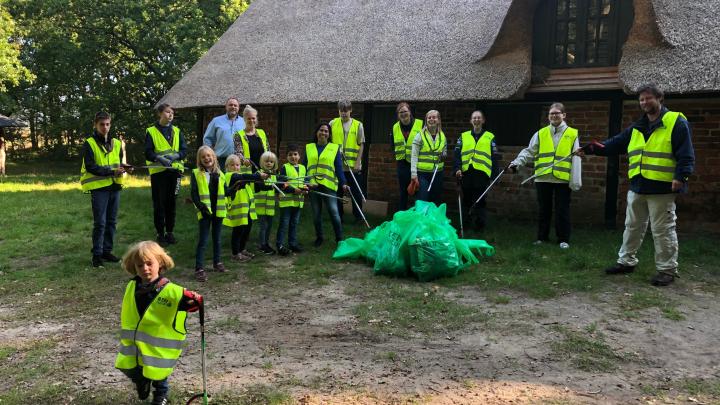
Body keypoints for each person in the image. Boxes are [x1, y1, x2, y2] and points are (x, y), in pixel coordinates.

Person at [581, 84, 695, 286]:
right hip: (638, 186)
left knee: (663, 230)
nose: (644, 102)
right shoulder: (637, 127)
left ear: (660, 98)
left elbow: (686, 153)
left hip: (663, 187)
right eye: (641, 99)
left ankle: (667, 270)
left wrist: (682, 176)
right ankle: (626, 262)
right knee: (632, 226)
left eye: (648, 98)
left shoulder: (676, 122)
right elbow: (613, 144)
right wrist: (589, 149)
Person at [115, 241, 203, 405]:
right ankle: (141, 381)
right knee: (128, 366)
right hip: (134, 343)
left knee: (158, 373)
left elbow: (188, 305)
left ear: (160, 263)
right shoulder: (132, 286)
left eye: (149, 264)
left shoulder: (171, 291)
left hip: (158, 346)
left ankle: (160, 396)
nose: (145, 269)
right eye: (140, 265)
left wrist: (194, 302)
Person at [509, 102, 581, 249]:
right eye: (551, 114)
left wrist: (575, 180)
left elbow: (576, 158)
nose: (554, 116)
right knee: (544, 209)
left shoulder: (572, 134)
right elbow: (529, 151)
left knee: (562, 210)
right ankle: (542, 237)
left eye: (557, 113)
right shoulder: (540, 134)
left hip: (562, 179)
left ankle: (563, 239)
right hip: (542, 178)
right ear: (548, 116)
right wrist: (517, 162)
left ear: (564, 115)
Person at [80, 112, 129, 267]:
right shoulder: (89, 143)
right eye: (102, 124)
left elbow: (119, 162)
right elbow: (91, 167)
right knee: (100, 223)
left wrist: (125, 167)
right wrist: (111, 172)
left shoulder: (115, 142)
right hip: (99, 188)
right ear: (95, 125)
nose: (105, 127)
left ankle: (107, 251)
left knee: (111, 222)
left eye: (107, 124)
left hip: (114, 186)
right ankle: (97, 255)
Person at [144, 103, 187, 246]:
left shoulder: (177, 131)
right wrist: (158, 158)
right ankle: (160, 234)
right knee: (159, 204)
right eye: (168, 112)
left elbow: (184, 150)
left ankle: (170, 232)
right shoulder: (151, 131)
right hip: (159, 173)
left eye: (172, 113)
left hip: (175, 173)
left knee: (171, 203)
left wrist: (176, 157)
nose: (170, 115)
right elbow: (148, 152)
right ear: (160, 114)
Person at [454, 110, 500, 232]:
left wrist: (495, 175)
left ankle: (480, 226)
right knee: (467, 200)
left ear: (483, 120)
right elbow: (457, 154)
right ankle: (466, 223)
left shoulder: (490, 137)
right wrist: (457, 169)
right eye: (474, 118)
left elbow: (494, 157)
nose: (476, 120)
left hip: (482, 174)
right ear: (471, 121)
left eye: (479, 118)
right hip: (466, 173)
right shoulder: (463, 136)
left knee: (480, 200)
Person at [305, 122, 350, 246]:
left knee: (334, 213)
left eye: (326, 131)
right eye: (321, 130)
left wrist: (344, 183)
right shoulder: (309, 147)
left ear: (329, 135)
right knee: (316, 215)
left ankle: (339, 239)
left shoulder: (334, 148)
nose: (323, 133)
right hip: (313, 185)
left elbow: (339, 168)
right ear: (316, 132)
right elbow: (304, 166)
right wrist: (305, 182)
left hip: (329, 185)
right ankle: (319, 238)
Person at [190, 146, 227, 282]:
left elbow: (226, 191)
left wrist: (236, 187)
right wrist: (201, 207)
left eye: (209, 155)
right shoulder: (196, 173)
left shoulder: (220, 174)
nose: (207, 158)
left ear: (214, 157)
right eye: (203, 156)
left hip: (219, 211)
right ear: (200, 159)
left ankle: (217, 262)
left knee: (217, 239)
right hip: (205, 212)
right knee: (203, 240)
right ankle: (199, 268)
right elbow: (194, 193)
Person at [223, 154, 268, 262]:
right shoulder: (231, 176)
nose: (235, 167)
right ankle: (235, 254)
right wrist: (258, 176)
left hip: (246, 209)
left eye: (237, 165)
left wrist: (259, 177)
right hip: (237, 210)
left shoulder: (240, 175)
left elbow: (248, 178)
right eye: (232, 165)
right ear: (227, 167)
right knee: (238, 231)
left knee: (246, 230)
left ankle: (242, 250)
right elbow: (243, 177)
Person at [330, 101, 365, 223]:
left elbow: (361, 145)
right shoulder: (332, 123)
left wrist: (357, 162)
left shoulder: (358, 125)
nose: (343, 113)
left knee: (356, 192)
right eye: (341, 110)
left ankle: (358, 217)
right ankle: (339, 216)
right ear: (338, 111)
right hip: (338, 166)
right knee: (338, 192)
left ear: (350, 110)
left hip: (353, 166)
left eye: (346, 110)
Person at [276, 144, 309, 255]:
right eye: (290, 155)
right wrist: (293, 190)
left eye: (295, 154)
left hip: (298, 202)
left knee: (294, 223)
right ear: (286, 157)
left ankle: (293, 243)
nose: (293, 157)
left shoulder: (303, 168)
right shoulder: (285, 167)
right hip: (287, 201)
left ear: (299, 156)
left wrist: (305, 189)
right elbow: (282, 184)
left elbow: (304, 183)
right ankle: (279, 245)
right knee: (284, 223)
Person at [409, 110, 447, 205]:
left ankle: (433, 220)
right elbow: (414, 156)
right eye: (429, 117)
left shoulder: (442, 136)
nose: (431, 119)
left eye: (434, 117)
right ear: (426, 120)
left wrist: (443, 155)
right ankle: (421, 219)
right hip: (423, 174)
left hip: (437, 173)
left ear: (438, 120)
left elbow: (445, 152)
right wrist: (414, 174)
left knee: (435, 200)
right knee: (422, 199)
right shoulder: (419, 136)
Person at [392, 102, 423, 212]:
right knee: (403, 192)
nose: (403, 114)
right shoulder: (395, 127)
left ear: (410, 112)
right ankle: (402, 215)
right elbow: (392, 145)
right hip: (402, 164)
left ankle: (417, 217)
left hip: (417, 164)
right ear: (398, 114)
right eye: (401, 112)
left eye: (405, 111)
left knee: (418, 191)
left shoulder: (420, 124)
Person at [203, 97, 244, 169]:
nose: (233, 107)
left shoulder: (243, 122)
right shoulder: (216, 121)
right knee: (220, 180)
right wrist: (211, 155)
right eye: (230, 105)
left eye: (235, 105)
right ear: (226, 107)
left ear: (238, 108)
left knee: (237, 180)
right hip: (221, 160)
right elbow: (207, 139)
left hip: (239, 161)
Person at [234, 105, 268, 174]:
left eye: (253, 118)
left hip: (264, 170)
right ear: (244, 120)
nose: (251, 120)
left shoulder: (262, 132)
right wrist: (243, 160)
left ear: (256, 119)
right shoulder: (238, 135)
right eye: (249, 118)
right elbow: (238, 153)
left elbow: (268, 150)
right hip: (248, 172)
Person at [256, 151, 279, 254]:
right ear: (262, 162)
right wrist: (271, 186)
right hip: (260, 205)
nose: (269, 163)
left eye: (271, 162)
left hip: (270, 205)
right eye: (266, 161)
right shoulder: (259, 174)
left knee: (269, 225)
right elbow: (261, 186)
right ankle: (262, 245)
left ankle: (266, 243)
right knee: (263, 226)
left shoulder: (273, 175)